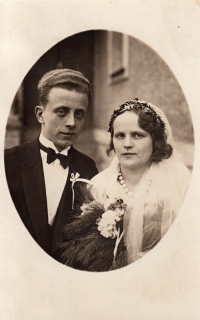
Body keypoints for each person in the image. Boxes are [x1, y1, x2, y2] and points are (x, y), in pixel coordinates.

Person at [60, 98, 191, 270]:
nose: (127, 144)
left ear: (154, 140)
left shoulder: (178, 176)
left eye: (138, 135)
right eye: (120, 136)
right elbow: (87, 251)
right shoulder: (99, 185)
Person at [4, 69, 98, 259]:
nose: (71, 122)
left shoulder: (88, 168)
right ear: (40, 114)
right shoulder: (9, 162)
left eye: (79, 114)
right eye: (61, 112)